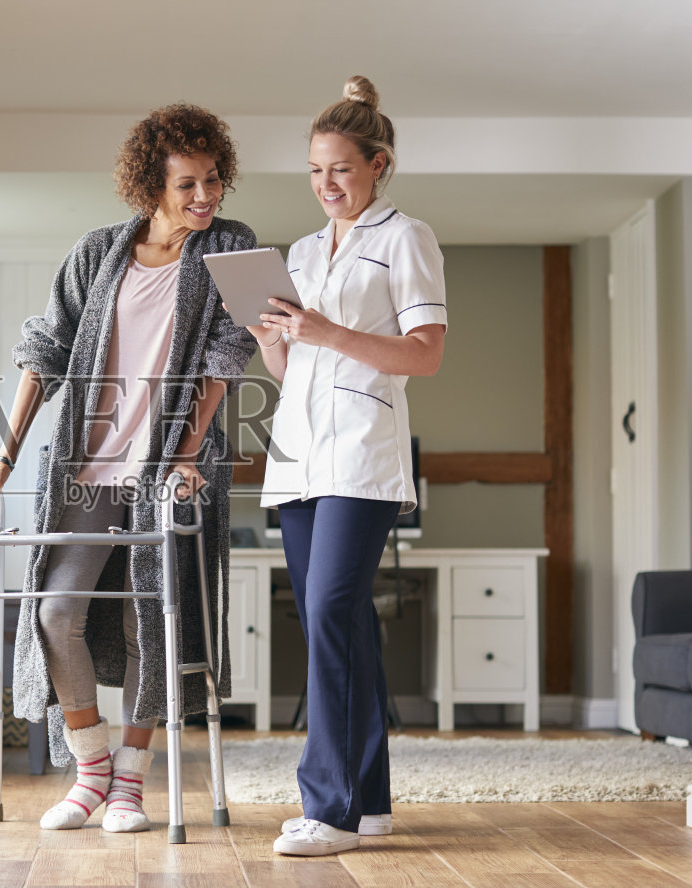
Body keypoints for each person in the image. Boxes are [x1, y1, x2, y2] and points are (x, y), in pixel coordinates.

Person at [0, 104, 256, 834]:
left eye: (213, 180)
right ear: (149, 188)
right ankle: (89, 770)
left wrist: (186, 457)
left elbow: (227, 356)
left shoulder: (230, 246)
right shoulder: (99, 252)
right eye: (187, 184)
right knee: (55, 612)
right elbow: (44, 349)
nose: (204, 197)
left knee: (147, 625)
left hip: (167, 470)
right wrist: (5, 454)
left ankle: (131, 783)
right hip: (86, 467)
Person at [248, 76, 448, 856]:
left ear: (378, 163)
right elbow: (290, 365)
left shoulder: (406, 238)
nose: (326, 184)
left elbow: (425, 355)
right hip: (299, 454)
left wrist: (326, 332)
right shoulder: (299, 252)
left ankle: (325, 808)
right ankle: (367, 802)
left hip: (362, 453)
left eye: (340, 167)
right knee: (347, 619)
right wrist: (274, 336)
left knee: (330, 609)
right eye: (314, 171)